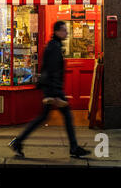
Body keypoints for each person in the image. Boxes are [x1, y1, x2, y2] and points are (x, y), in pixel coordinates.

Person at [8, 21, 91, 158]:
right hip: (53, 90)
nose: (66, 33)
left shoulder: (55, 45)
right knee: (64, 117)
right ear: (57, 31)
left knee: (44, 117)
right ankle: (73, 147)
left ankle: (18, 142)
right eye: (64, 30)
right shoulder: (54, 47)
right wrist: (55, 94)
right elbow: (52, 71)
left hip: (51, 89)